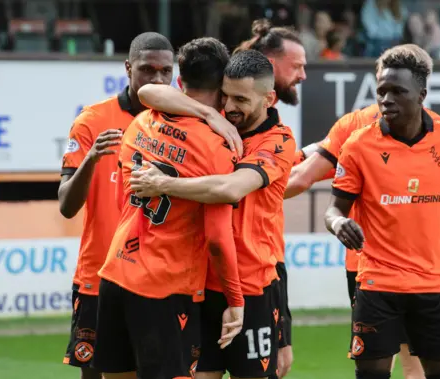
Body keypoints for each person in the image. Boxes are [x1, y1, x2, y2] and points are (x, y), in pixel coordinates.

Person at [131, 50, 296, 379]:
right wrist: (209, 112)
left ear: (269, 98)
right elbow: (147, 92)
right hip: (201, 285)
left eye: (240, 99)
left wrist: (165, 184)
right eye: (226, 96)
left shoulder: (278, 141)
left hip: (251, 288)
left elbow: (230, 189)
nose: (231, 106)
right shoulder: (220, 120)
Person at [324, 44, 440, 379]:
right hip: (376, 284)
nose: (386, 99)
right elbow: (334, 208)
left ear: (422, 94)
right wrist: (338, 222)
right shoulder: (357, 145)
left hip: (434, 285)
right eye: (381, 91)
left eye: (398, 91)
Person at [93, 37, 245, 379]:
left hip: (115, 274)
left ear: (179, 81)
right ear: (223, 86)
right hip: (163, 287)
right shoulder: (218, 148)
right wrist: (235, 300)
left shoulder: (143, 120)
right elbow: (219, 238)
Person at [58, 31, 174, 379]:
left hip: (158, 280)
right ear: (127, 68)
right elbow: (66, 205)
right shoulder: (93, 121)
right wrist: (91, 159)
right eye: (147, 70)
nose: (157, 79)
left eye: (165, 72)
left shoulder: (181, 124)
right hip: (99, 278)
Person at [234, 19, 307, 376]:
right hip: (239, 270)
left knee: (278, 364)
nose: (303, 75)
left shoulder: (277, 131)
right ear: (270, 63)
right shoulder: (217, 116)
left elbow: (275, 185)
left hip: (266, 263)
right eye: (297, 66)